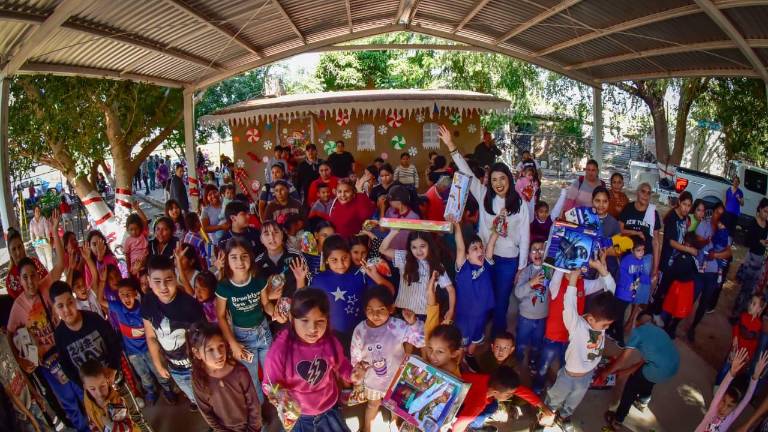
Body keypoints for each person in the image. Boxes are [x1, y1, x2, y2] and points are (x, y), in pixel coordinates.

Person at [440, 125, 529, 335]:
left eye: (502, 179)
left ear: (509, 180)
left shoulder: (520, 204)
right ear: (490, 182)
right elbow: (466, 172)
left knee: (500, 300)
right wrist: (452, 146)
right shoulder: (483, 195)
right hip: (482, 257)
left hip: (508, 259)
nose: (498, 183)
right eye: (495, 179)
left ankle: (498, 337)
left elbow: (525, 236)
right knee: (483, 296)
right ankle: (479, 333)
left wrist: (521, 266)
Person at [262, 288, 362, 432]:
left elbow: (341, 364)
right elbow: (268, 385)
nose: (312, 329)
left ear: (327, 319)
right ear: (291, 318)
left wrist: (351, 374)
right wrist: (278, 395)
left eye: (320, 321)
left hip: (329, 408)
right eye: (304, 320)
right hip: (299, 416)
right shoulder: (280, 350)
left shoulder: (330, 342)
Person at [533, 253, 616, 395]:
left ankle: (558, 388)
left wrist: (600, 267)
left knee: (564, 368)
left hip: (571, 341)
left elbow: (608, 288)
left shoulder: (583, 284)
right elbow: (559, 268)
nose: (575, 271)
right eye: (571, 267)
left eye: (579, 267)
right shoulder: (556, 285)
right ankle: (537, 387)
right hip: (552, 338)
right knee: (543, 367)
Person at [544, 266, 615, 429]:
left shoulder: (600, 324)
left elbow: (611, 290)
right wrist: (573, 281)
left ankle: (564, 416)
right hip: (567, 377)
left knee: (574, 401)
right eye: (604, 325)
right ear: (590, 319)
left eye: (608, 325)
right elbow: (569, 305)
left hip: (586, 376)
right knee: (555, 399)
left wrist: (601, 268)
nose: (606, 328)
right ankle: (547, 414)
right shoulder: (577, 326)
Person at [350, 286, 424, 432]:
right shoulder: (360, 330)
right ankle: (367, 427)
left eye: (381, 310)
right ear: (365, 310)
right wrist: (358, 372)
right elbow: (355, 355)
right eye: (370, 310)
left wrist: (413, 323)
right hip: (372, 380)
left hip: (395, 379)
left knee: (394, 406)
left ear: (391, 309)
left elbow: (421, 341)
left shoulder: (397, 326)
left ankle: (394, 424)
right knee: (372, 404)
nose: (375, 315)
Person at [141, 255, 205, 410]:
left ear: (176, 277)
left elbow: (203, 338)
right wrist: (158, 364)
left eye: (168, 279)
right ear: (149, 281)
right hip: (175, 369)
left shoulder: (190, 305)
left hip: (197, 367)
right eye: (157, 281)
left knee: (209, 399)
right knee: (195, 398)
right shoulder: (148, 302)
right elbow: (150, 336)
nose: (163, 286)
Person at [215, 238, 274, 402]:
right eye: (233, 257)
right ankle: (258, 414)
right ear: (227, 259)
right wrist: (233, 343)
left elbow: (266, 303)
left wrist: (275, 312)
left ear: (251, 257)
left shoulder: (258, 280)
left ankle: (281, 408)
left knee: (271, 375)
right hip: (242, 338)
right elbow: (220, 316)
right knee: (252, 379)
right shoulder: (224, 286)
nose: (239, 261)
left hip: (264, 333)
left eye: (244, 256)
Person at [102, 277, 176, 405]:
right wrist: (102, 280)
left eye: (128, 294)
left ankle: (167, 389)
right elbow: (100, 300)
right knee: (143, 375)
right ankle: (151, 391)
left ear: (136, 293)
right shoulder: (118, 308)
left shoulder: (143, 310)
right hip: (133, 353)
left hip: (149, 350)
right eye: (122, 295)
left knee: (158, 370)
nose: (126, 298)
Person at [602, 312, 680, 430]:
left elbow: (623, 359)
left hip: (657, 370)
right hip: (673, 366)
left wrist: (606, 372)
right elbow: (645, 361)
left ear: (637, 323)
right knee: (647, 378)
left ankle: (617, 420)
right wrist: (626, 371)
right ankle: (643, 401)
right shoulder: (658, 331)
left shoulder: (638, 333)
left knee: (632, 387)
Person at [310, 235, 389, 348]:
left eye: (344, 258)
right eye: (334, 260)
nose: (341, 264)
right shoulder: (319, 280)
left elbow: (380, 295)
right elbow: (312, 308)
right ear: (326, 260)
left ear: (349, 255)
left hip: (362, 332)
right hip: (331, 336)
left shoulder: (361, 274)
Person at [189, 321, 263, 431]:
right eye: (210, 349)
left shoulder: (240, 372)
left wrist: (252, 429)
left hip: (248, 426)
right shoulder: (198, 379)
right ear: (197, 353)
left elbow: (254, 405)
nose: (219, 354)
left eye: (221, 346)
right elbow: (206, 412)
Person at [50, 281, 122, 385]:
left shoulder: (94, 319)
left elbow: (114, 343)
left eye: (69, 302)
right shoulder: (59, 335)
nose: (67, 310)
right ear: (55, 309)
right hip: (91, 390)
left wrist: (113, 368)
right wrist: (83, 386)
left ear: (74, 300)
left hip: (112, 379)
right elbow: (67, 367)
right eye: (60, 306)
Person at [380, 229, 456, 323]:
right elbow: (382, 249)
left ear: (429, 245)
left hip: (424, 315)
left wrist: (451, 310)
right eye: (414, 247)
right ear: (410, 248)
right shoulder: (404, 258)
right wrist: (393, 232)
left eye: (422, 246)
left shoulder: (437, 265)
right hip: (402, 312)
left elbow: (451, 289)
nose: (418, 251)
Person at [454, 366, 553, 432]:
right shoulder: (478, 402)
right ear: (495, 392)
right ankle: (473, 427)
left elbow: (522, 391)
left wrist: (542, 406)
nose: (510, 396)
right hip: (454, 403)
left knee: (493, 405)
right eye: (508, 394)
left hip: (462, 393)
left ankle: (475, 425)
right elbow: (459, 425)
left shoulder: (492, 381)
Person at [451, 219, 496, 358]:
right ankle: (460, 361)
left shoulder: (485, 265)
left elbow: (491, 245)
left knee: (476, 339)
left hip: (482, 313)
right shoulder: (463, 268)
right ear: (466, 255)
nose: (480, 250)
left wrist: (497, 228)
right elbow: (460, 247)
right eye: (474, 248)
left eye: (480, 247)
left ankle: (469, 357)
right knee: (461, 343)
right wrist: (457, 225)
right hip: (465, 316)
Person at [688, 203, 733, 342]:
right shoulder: (704, 224)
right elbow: (696, 242)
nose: (717, 216)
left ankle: (692, 328)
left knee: (704, 303)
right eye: (716, 212)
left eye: (721, 214)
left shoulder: (725, 233)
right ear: (712, 212)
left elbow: (728, 253)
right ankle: (674, 322)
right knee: (690, 298)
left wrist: (716, 255)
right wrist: (707, 240)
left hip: (713, 274)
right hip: (699, 270)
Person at [695, 348, 768, 432]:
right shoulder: (713, 411)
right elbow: (720, 393)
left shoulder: (730, 417)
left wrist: (755, 377)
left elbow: (746, 399)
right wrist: (731, 373)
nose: (723, 408)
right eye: (723, 401)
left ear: (735, 407)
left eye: (729, 406)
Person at [80, 359, 149, 432]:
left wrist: (109, 424)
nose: (99, 393)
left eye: (102, 386)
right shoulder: (88, 401)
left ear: (107, 380)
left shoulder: (117, 401)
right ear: (85, 387)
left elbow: (127, 428)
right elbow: (92, 421)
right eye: (92, 389)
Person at [618, 182, 662, 299]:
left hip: (645, 256)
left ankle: (632, 317)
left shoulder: (653, 213)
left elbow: (656, 242)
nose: (646, 195)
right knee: (624, 285)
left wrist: (655, 267)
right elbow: (619, 229)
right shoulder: (628, 208)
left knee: (640, 288)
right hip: (628, 253)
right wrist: (635, 232)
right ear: (637, 192)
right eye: (643, 191)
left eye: (649, 193)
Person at [715, 294, 765, 385]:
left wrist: (748, 356)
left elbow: (754, 343)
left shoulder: (758, 326)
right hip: (734, 349)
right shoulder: (743, 316)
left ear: (759, 309)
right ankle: (717, 385)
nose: (750, 306)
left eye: (754, 304)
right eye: (750, 302)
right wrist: (735, 337)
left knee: (733, 373)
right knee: (725, 368)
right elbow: (736, 327)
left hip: (742, 355)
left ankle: (723, 387)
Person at [610, 237, 651, 347]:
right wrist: (628, 285)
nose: (641, 252)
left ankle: (611, 332)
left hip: (631, 294)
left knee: (618, 313)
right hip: (622, 293)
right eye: (638, 250)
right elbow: (622, 275)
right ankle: (619, 339)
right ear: (632, 250)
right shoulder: (627, 260)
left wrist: (649, 280)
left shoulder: (641, 260)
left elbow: (640, 275)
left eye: (643, 250)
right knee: (619, 316)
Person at [514, 241, 549, 365]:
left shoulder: (550, 270)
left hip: (542, 316)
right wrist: (531, 283)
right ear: (529, 255)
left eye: (541, 249)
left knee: (537, 343)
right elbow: (517, 293)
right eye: (534, 250)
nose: (538, 252)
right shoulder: (525, 272)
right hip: (526, 317)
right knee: (521, 342)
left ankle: (533, 362)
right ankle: (517, 362)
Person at [733, 198, 768, 317]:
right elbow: (747, 241)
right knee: (745, 288)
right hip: (752, 258)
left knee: (752, 289)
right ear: (760, 209)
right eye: (765, 211)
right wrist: (760, 242)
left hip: (760, 260)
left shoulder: (767, 224)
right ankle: (736, 313)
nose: (766, 214)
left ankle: (745, 311)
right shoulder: (754, 223)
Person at [5, 228, 49, 299]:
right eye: (14, 249)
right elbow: (16, 307)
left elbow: (48, 281)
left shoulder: (35, 263)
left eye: (19, 247)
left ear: (23, 246)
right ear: (10, 252)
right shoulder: (9, 281)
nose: (18, 252)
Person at [123, 213, 149, 278]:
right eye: (131, 229)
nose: (134, 232)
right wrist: (128, 270)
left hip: (146, 265)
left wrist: (138, 209)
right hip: (134, 268)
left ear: (140, 228)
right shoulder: (128, 241)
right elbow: (127, 256)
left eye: (136, 229)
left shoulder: (143, 235)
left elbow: (145, 221)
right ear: (127, 230)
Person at [29, 205, 53, 270]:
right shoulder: (32, 222)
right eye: (36, 211)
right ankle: (46, 274)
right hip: (37, 241)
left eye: (39, 211)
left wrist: (48, 239)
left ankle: (52, 274)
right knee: (42, 261)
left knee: (49, 259)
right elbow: (31, 233)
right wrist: (33, 242)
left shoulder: (43, 219)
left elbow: (46, 230)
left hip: (44, 239)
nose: (38, 212)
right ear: (34, 212)